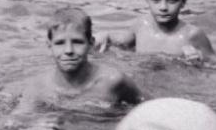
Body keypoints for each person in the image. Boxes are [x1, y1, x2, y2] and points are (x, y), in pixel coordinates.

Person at [13, 7, 142, 114]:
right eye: (60, 43)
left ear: (91, 44)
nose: (68, 50)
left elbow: (148, 108)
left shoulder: (113, 81)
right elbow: (16, 124)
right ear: (49, 45)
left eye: (77, 42)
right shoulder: (39, 87)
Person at [96, 0, 215, 61]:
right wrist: (105, 37)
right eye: (156, 0)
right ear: (147, 0)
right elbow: (120, 41)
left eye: (171, 0)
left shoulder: (192, 35)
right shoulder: (141, 25)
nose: (163, 7)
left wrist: (200, 60)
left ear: (183, 2)